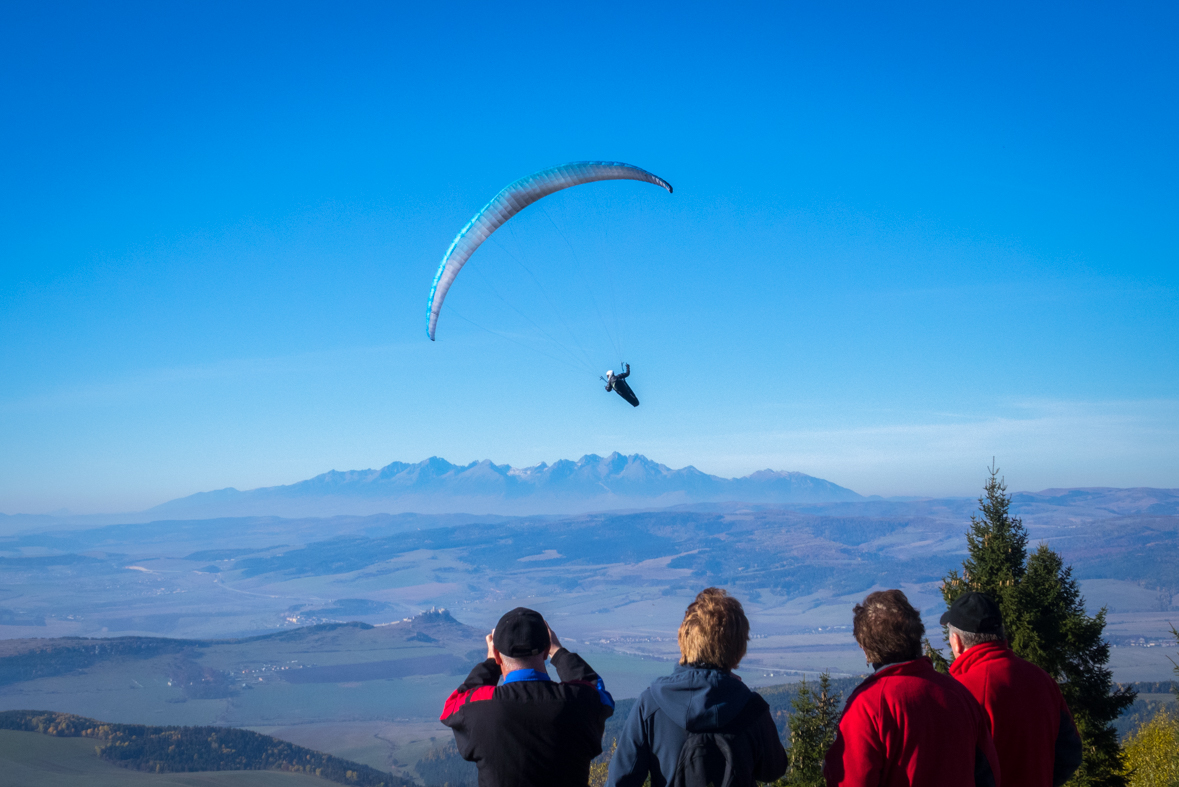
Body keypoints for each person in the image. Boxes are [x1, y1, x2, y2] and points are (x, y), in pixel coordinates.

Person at [607, 588, 787, 787]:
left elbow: (620, 781)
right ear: (738, 648)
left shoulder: (650, 705)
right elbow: (773, 770)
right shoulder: (752, 708)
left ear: (684, 638)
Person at [824, 589, 1000, 787]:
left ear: (865, 647)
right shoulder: (959, 695)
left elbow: (852, 780)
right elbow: (988, 774)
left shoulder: (867, 706)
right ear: (917, 635)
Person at [440, 607, 614, 787]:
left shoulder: (481, 708)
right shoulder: (578, 702)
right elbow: (597, 691)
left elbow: (451, 708)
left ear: (499, 656)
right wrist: (559, 652)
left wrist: (490, 664)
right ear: (546, 652)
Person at [943, 592, 1082, 787]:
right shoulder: (1043, 680)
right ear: (1000, 633)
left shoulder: (960, 693)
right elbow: (1070, 753)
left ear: (956, 641)